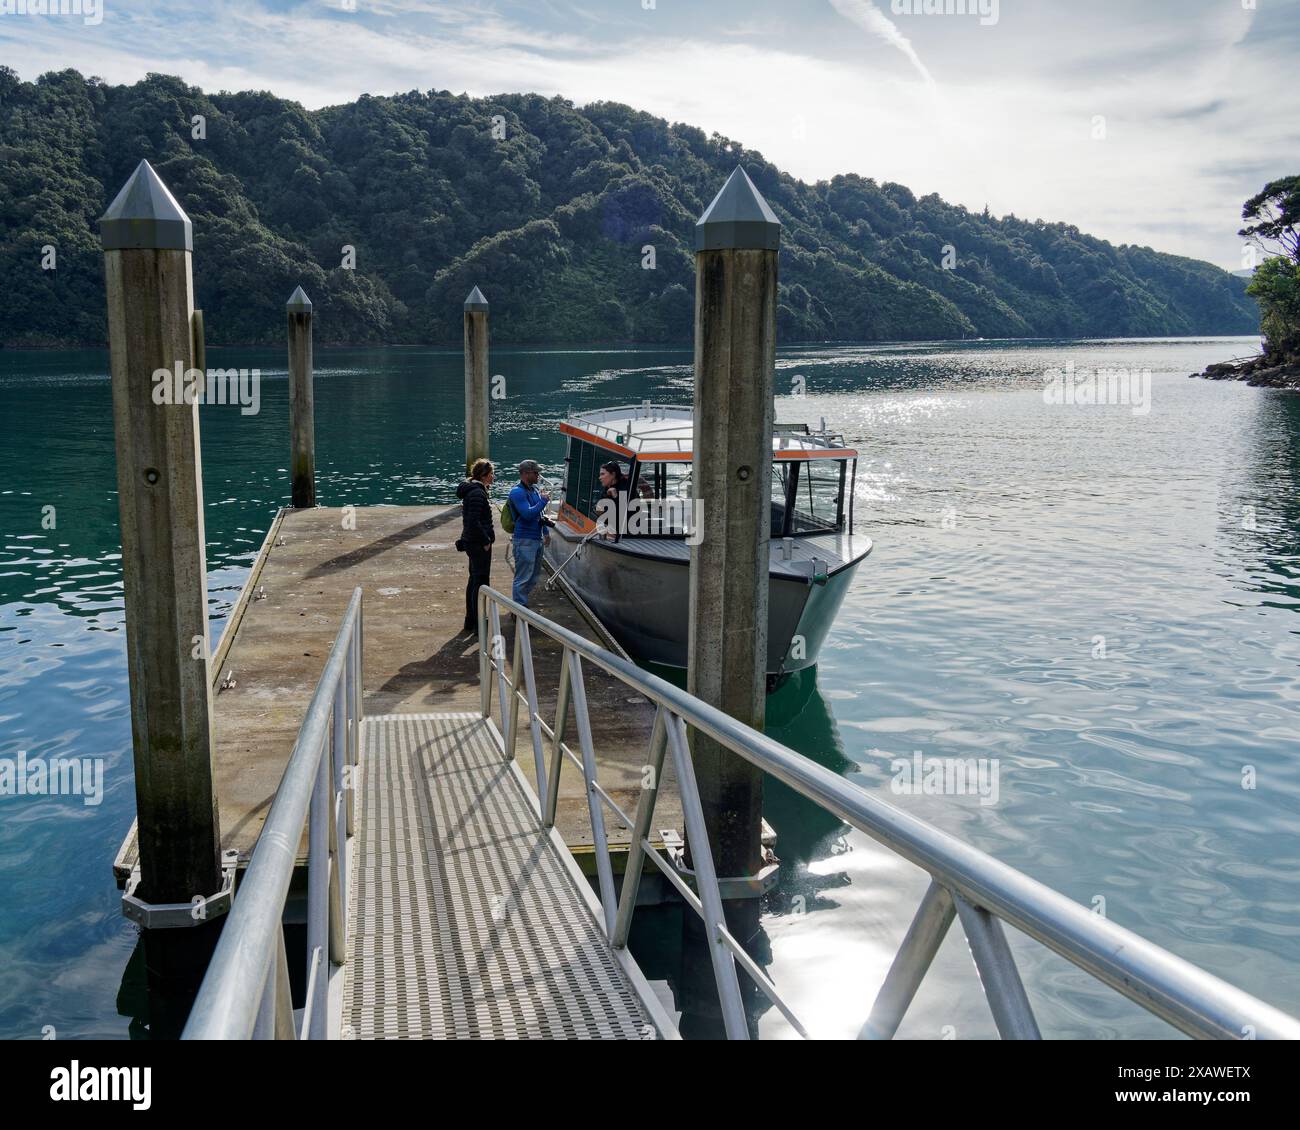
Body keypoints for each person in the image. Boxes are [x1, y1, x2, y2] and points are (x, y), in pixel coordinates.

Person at [456, 459, 495, 631]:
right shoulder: (477, 494)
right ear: (484, 476)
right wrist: (486, 540)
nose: (493, 477)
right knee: (480, 581)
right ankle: (478, 620)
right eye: (491, 474)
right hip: (479, 544)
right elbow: (474, 521)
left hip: (472, 542)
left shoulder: (473, 491)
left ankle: (471, 619)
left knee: (473, 580)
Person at [508, 459, 550, 607]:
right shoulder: (517, 492)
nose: (538, 475)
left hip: (536, 539)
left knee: (533, 577)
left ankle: (521, 606)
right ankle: (519, 610)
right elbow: (527, 514)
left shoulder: (534, 490)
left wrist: (545, 532)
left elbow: (539, 515)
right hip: (524, 540)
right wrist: (543, 501)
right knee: (523, 577)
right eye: (536, 472)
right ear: (526, 473)